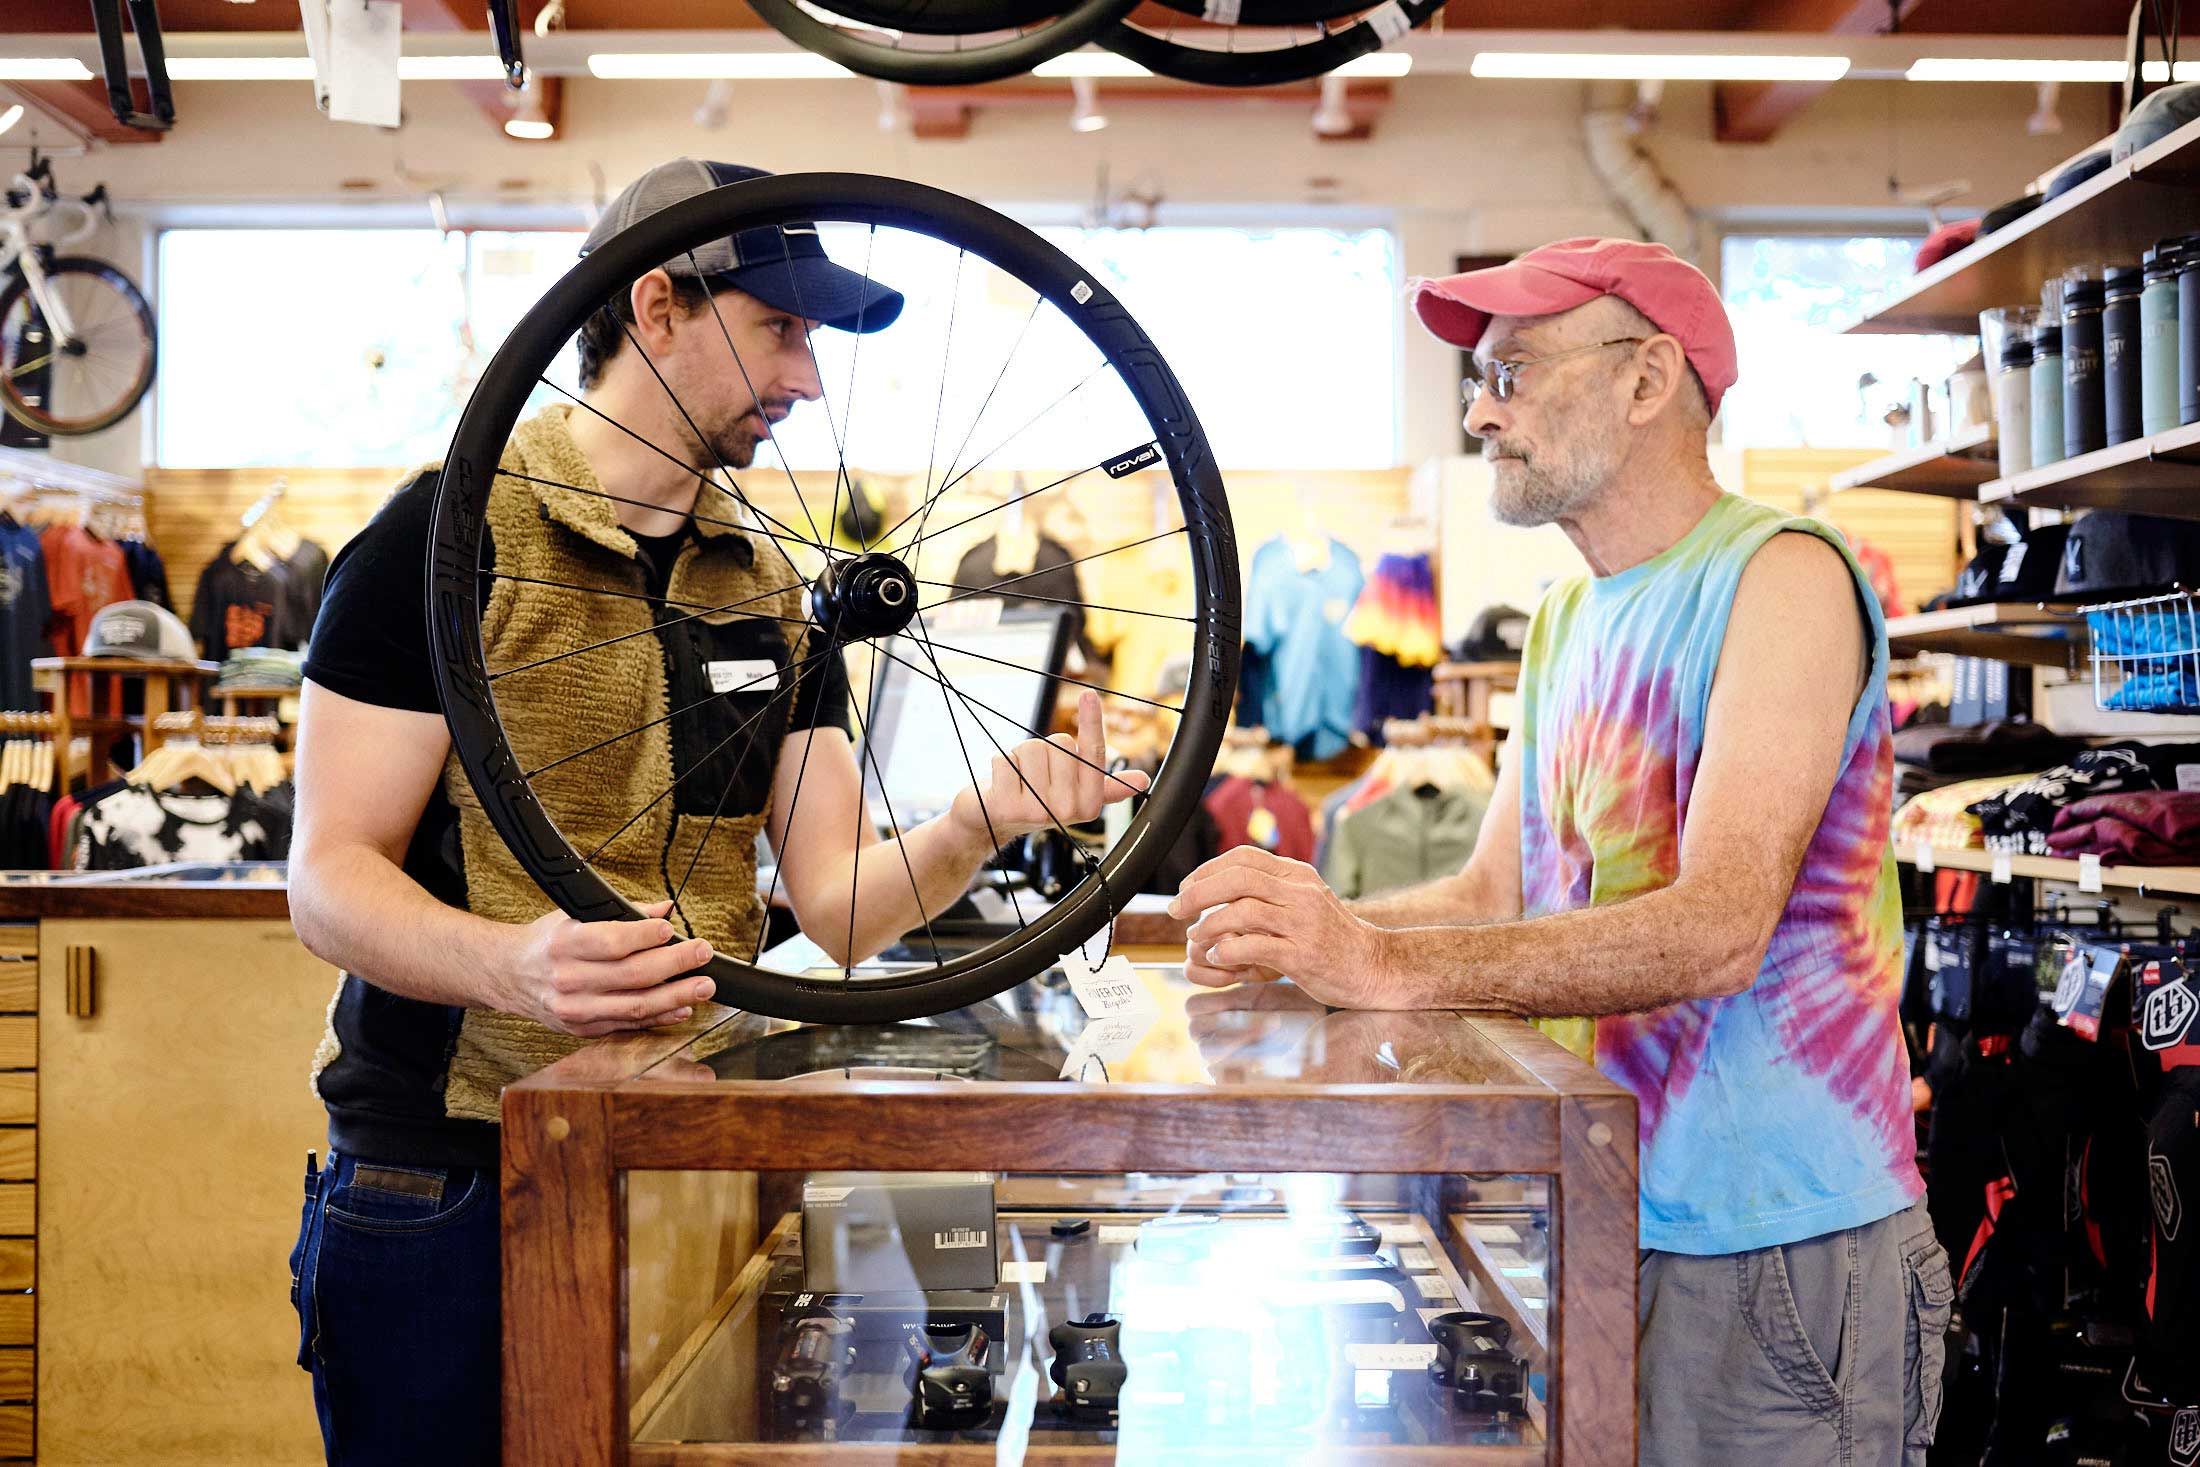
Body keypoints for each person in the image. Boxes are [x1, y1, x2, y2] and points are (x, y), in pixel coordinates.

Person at [284, 159, 1146, 1466]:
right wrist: (512, 959)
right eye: (782, 328)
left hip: (674, 1155)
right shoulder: (441, 543)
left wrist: (983, 813)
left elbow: (843, 908)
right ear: (657, 305)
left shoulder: (768, 590)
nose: (807, 380)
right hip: (452, 1176)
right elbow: (328, 879)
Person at [1171, 238, 1951, 1466]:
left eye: (1514, 370)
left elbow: (1718, 929)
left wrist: (1372, 960)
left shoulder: (1781, 579)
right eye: (1477, 379)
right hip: (1593, 1204)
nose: (1482, 411)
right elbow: (1494, 893)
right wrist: (1299, 935)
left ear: (1646, 381)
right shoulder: (1567, 618)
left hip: (1775, 1245)